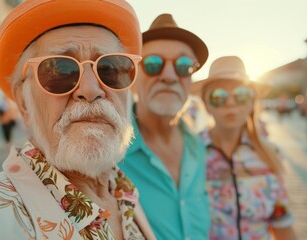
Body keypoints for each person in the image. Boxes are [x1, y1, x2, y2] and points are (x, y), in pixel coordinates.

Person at [0, 0, 156, 239]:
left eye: (109, 69)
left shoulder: (125, 194)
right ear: (23, 102)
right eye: (61, 70)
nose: (90, 90)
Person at [119, 14, 210, 239]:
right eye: (152, 64)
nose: (169, 76)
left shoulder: (198, 145)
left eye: (183, 66)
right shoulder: (110, 154)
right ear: (132, 75)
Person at [191, 56, 297, 240]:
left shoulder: (271, 154)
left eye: (241, 95)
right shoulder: (190, 152)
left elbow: (283, 226)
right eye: (218, 96)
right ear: (206, 104)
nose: (231, 103)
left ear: (251, 102)